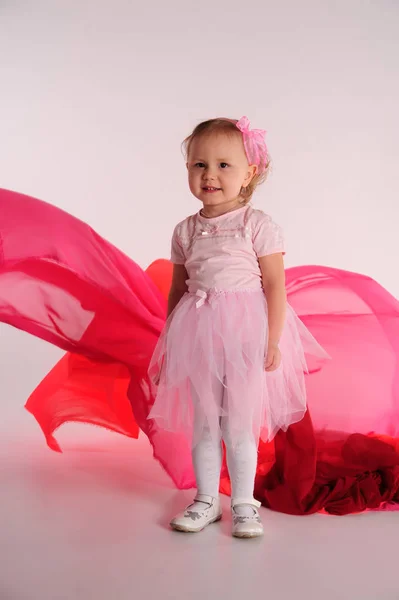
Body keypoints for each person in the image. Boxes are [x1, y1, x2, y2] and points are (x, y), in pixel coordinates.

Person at [147, 117, 327, 538]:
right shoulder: (185, 230)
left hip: (246, 333)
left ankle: (244, 502)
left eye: (224, 165)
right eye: (199, 165)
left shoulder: (257, 224)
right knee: (206, 421)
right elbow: (178, 290)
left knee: (240, 422)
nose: (209, 174)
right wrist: (171, 339)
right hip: (197, 332)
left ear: (250, 172)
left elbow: (276, 285)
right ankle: (207, 499)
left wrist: (273, 338)